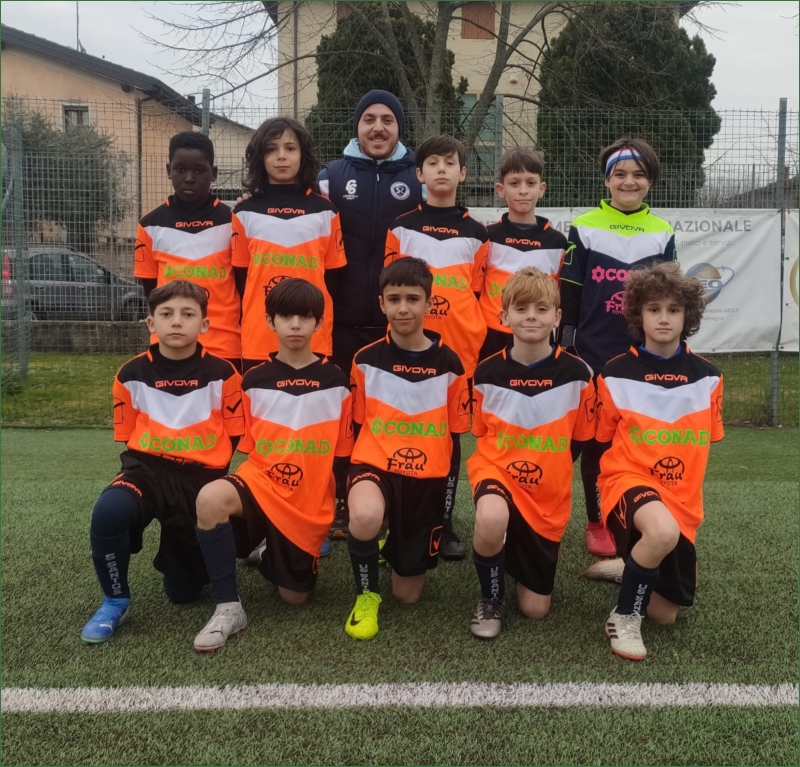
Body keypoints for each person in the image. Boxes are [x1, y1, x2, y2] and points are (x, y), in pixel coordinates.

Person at [190, 278, 353, 652]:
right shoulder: (253, 380)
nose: (295, 324)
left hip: (307, 501)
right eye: (285, 316)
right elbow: (249, 448)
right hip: (261, 482)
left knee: (294, 598)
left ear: (319, 323)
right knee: (210, 499)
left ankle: (266, 548)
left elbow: (342, 454)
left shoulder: (337, 380)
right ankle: (229, 608)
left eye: (305, 317)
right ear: (269, 321)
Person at [80, 280, 244, 643]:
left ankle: (230, 546)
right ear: (151, 323)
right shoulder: (129, 375)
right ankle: (114, 601)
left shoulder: (225, 375)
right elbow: (129, 436)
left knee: (183, 594)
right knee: (109, 510)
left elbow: (234, 434)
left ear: (204, 324)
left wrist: (204, 463)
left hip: (200, 482)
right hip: (147, 471)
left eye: (188, 314)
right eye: (166, 314)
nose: (177, 321)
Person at [595, 262, 723, 661]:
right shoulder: (614, 374)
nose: (663, 318)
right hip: (627, 481)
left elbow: (704, 442)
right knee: (661, 530)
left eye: (673, 309)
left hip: (681, 498)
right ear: (639, 315)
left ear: (688, 316)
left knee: (665, 615)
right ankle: (623, 616)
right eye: (654, 309)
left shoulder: (709, 377)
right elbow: (603, 440)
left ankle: (632, 562)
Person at [558, 138, 676, 558]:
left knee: (626, 446)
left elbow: (669, 298)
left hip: (638, 360)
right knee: (582, 445)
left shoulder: (662, 231)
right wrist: (567, 345)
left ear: (651, 182)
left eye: (639, 175)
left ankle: (617, 520)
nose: (629, 181)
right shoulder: (585, 225)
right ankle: (584, 522)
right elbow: (570, 290)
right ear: (606, 180)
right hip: (589, 354)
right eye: (620, 174)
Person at [344, 258, 470, 640]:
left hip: (426, 478)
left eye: (413, 299)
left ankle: (389, 538)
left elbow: (454, 440)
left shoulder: (451, 364)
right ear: (381, 303)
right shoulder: (364, 360)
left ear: (429, 303)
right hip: (375, 464)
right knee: (364, 514)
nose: (403, 308)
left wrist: (445, 508)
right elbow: (357, 426)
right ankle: (367, 595)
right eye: (394, 299)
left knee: (408, 595)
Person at [466, 267, 595, 638]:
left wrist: (548, 466)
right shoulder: (486, 373)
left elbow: (580, 439)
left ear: (557, 317)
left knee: (535, 610)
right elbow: (483, 436)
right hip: (497, 472)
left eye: (541, 309)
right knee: (491, 516)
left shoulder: (579, 374)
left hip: (547, 494)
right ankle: (490, 598)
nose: (531, 317)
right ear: (504, 316)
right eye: (521, 309)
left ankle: (510, 545)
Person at [320, 90, 423, 540]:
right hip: (341, 322)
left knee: (395, 416)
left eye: (387, 120)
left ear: (399, 128)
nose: (378, 127)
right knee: (344, 417)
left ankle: (404, 502)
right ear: (357, 126)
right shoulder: (331, 177)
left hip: (396, 325)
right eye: (369, 119)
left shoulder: (418, 176)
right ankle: (345, 504)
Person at [384, 134, 489, 559]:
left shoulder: (478, 232)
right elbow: (391, 289)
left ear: (462, 173)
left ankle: (442, 523)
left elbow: (477, 292)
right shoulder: (401, 227)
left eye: (450, 163)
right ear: (419, 173)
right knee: (405, 427)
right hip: (409, 347)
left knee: (449, 433)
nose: (441, 169)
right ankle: (397, 516)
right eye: (433, 163)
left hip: (458, 351)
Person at [232, 117, 346, 373]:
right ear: (260, 157)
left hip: (313, 338)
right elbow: (242, 279)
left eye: (290, 148)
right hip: (259, 338)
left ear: (303, 155)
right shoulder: (244, 211)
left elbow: (332, 279)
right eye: (271, 149)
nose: (281, 156)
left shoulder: (326, 211)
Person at [135, 132, 243, 369]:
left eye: (199, 170)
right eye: (180, 169)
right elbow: (152, 292)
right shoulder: (149, 225)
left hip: (224, 346)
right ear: (169, 170)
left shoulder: (234, 221)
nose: (189, 178)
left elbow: (243, 284)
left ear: (214, 173)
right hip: (169, 346)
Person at [479, 148, 567, 360]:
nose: (523, 190)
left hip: (538, 337)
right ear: (501, 189)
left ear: (542, 189)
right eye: (514, 183)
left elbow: (559, 297)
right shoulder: (487, 236)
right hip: (492, 335)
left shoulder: (558, 242)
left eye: (530, 183)